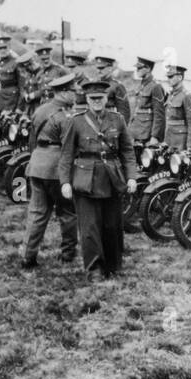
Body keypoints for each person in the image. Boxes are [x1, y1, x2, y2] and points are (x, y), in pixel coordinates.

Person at [58, 79, 138, 280]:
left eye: (100, 98)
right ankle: (94, 268)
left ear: (106, 98)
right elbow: (66, 154)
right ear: (86, 99)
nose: (96, 102)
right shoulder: (76, 121)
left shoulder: (117, 119)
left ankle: (113, 264)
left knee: (112, 225)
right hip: (85, 180)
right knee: (90, 227)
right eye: (92, 98)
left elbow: (127, 152)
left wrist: (131, 177)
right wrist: (65, 182)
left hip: (112, 178)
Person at [22, 71, 79, 267]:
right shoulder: (66, 117)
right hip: (56, 170)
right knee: (67, 213)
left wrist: (34, 160)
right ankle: (68, 254)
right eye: (72, 90)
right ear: (63, 93)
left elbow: (32, 140)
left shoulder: (40, 110)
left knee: (37, 213)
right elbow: (69, 149)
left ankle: (27, 256)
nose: (75, 93)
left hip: (37, 165)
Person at [129, 56, 166, 144]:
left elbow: (159, 115)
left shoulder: (155, 87)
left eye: (139, 68)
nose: (137, 70)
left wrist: (155, 136)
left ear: (148, 68)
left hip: (147, 134)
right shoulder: (141, 85)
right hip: (136, 131)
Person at [162, 65, 191, 149]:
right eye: (168, 77)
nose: (168, 79)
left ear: (180, 77)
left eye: (171, 77)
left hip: (180, 142)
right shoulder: (171, 95)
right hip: (169, 139)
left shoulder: (186, 96)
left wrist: (189, 146)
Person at [0, 35, 24, 112]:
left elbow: (22, 88)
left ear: (9, 47)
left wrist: (19, 107)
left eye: (5, 47)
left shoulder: (16, 62)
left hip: (11, 103)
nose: (3, 50)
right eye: (0, 48)